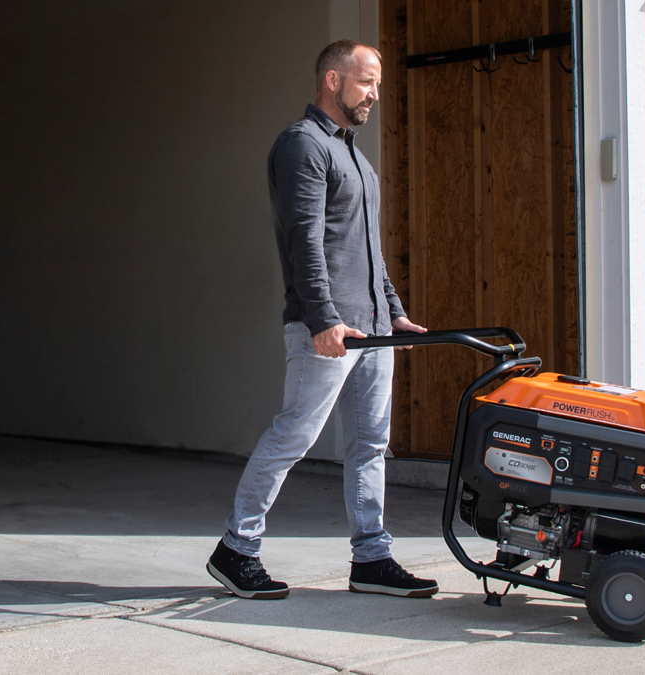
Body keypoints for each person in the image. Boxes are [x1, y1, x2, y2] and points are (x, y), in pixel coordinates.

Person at [206, 40, 436, 601]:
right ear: (332, 81)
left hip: (370, 328)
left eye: (377, 84)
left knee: (370, 445)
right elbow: (303, 240)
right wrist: (324, 320)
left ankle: (372, 559)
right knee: (295, 435)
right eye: (366, 82)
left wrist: (394, 312)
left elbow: (368, 248)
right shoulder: (302, 145)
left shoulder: (355, 156)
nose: (375, 94)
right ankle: (238, 548)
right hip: (329, 329)